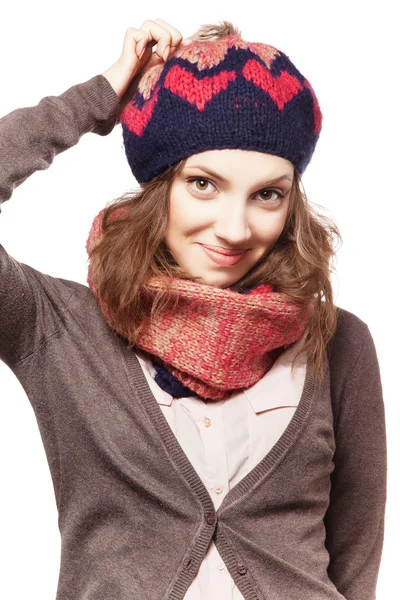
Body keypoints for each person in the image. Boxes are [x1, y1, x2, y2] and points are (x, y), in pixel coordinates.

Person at [0, 17, 387, 600]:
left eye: (267, 194)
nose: (233, 229)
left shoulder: (337, 342)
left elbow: (357, 554)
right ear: (159, 187)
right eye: (203, 183)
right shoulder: (57, 328)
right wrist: (100, 97)